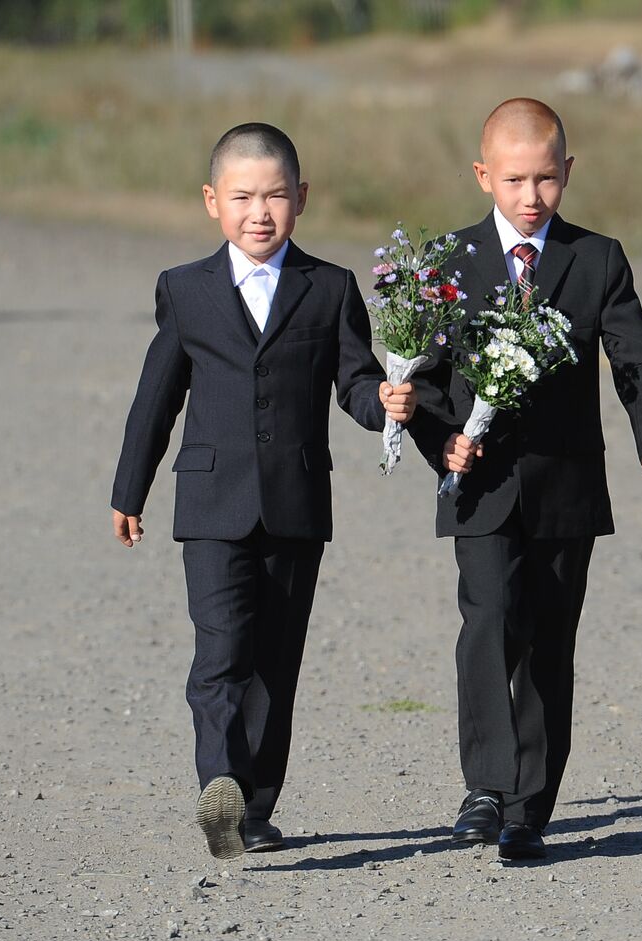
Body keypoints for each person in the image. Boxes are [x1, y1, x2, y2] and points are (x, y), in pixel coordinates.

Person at [109, 122, 416, 860]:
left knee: (275, 663)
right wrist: (130, 491)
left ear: (301, 198)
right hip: (210, 503)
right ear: (213, 201)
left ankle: (252, 810)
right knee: (220, 654)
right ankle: (220, 784)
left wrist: (388, 404)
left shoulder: (330, 288)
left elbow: (355, 382)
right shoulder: (185, 290)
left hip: (295, 504)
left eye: (276, 195)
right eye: (243, 196)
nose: (260, 211)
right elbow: (158, 397)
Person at [409, 98, 642, 860]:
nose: (532, 198)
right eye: (515, 180)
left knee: (549, 643)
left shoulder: (596, 259)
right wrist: (441, 441)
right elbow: (423, 376)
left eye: (547, 180)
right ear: (483, 175)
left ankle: (530, 809)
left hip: (566, 489)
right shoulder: (449, 261)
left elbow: (637, 356)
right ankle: (486, 788)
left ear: (569, 171)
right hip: (480, 489)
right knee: (490, 622)